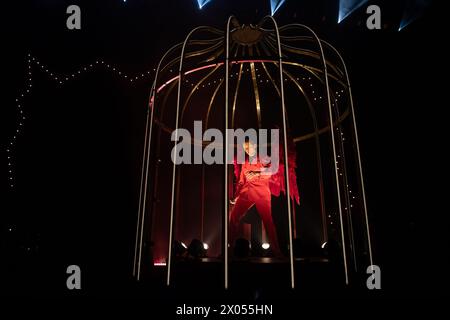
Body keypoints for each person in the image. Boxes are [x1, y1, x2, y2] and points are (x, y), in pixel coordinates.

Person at [229, 139, 282, 256]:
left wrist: (257, 173)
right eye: (245, 148)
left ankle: (276, 250)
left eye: (248, 147)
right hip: (247, 193)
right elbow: (241, 181)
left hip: (261, 194)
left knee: (268, 221)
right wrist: (236, 196)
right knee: (233, 217)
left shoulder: (263, 157)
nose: (247, 150)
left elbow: (274, 169)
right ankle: (229, 249)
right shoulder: (245, 162)